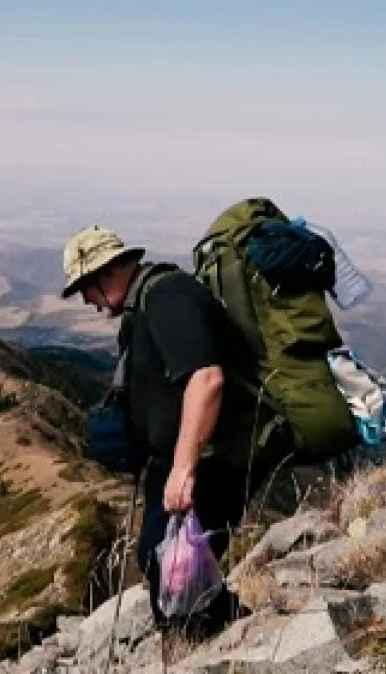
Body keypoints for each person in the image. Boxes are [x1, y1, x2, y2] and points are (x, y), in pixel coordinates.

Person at [60, 225, 277, 637]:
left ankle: (217, 642)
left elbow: (207, 378)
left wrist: (183, 468)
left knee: (174, 565)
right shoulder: (145, 303)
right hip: (180, 461)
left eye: (84, 289)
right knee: (163, 559)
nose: (86, 301)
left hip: (207, 462)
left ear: (103, 274)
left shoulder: (167, 298)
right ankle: (216, 636)